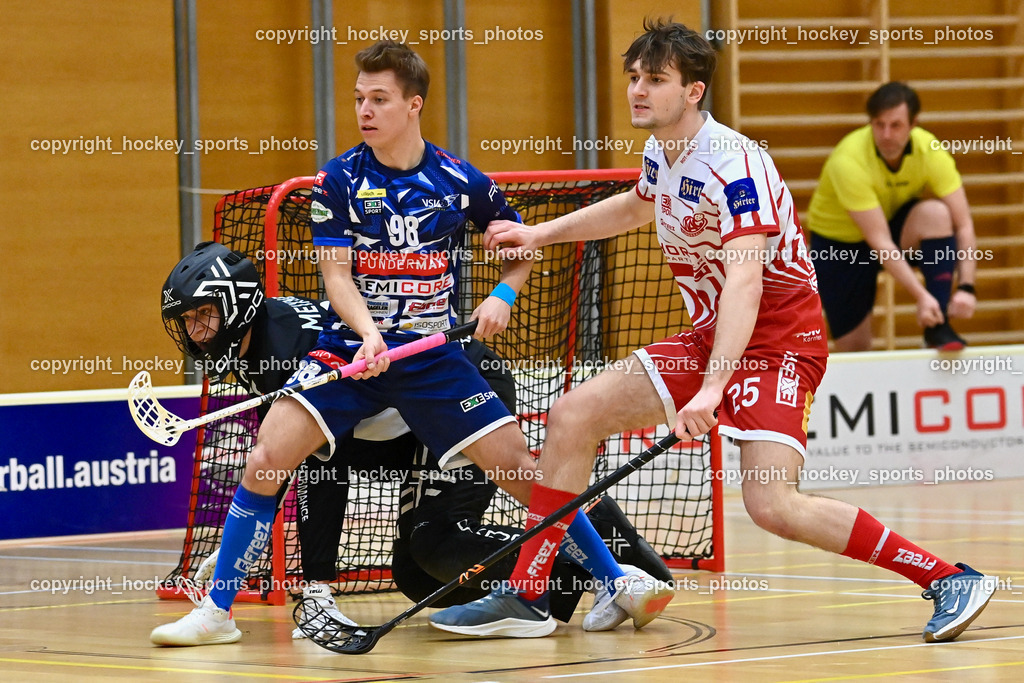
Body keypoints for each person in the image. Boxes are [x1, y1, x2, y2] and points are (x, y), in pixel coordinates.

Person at [430, 19, 994, 643]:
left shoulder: (737, 165)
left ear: (695, 91)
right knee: (570, 417)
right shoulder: (661, 151)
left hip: (779, 339)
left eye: (656, 80)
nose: (638, 90)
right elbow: (636, 206)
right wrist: (540, 234)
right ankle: (529, 595)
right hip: (713, 332)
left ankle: (947, 578)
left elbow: (747, 282)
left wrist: (710, 389)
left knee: (772, 506)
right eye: (635, 78)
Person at [150, 41, 672, 646]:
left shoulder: (460, 181)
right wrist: (368, 334)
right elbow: (336, 276)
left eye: (379, 99)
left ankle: (615, 579)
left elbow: (520, 247)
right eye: (358, 99)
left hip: (432, 359)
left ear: (413, 105)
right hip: (348, 350)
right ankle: (218, 612)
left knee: (523, 471)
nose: (364, 111)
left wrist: (502, 297)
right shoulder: (338, 180)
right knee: (267, 458)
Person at [155, 243, 672, 639]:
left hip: (454, 385)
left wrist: (316, 588)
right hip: (404, 423)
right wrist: (237, 551)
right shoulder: (261, 341)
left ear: (237, 305)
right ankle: (572, 577)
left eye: (204, 317)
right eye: (188, 323)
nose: (196, 332)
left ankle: (612, 567)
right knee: (416, 573)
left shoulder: (287, 346)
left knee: (446, 528)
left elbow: (320, 474)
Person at [807, 82, 978, 351]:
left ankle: (938, 325)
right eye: (879, 124)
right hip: (838, 243)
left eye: (896, 125)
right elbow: (880, 242)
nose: (886, 134)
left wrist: (967, 287)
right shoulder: (848, 160)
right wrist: (920, 296)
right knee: (855, 347)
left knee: (936, 214)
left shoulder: (929, 150)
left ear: (913, 124)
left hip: (887, 227)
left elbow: (964, 223)